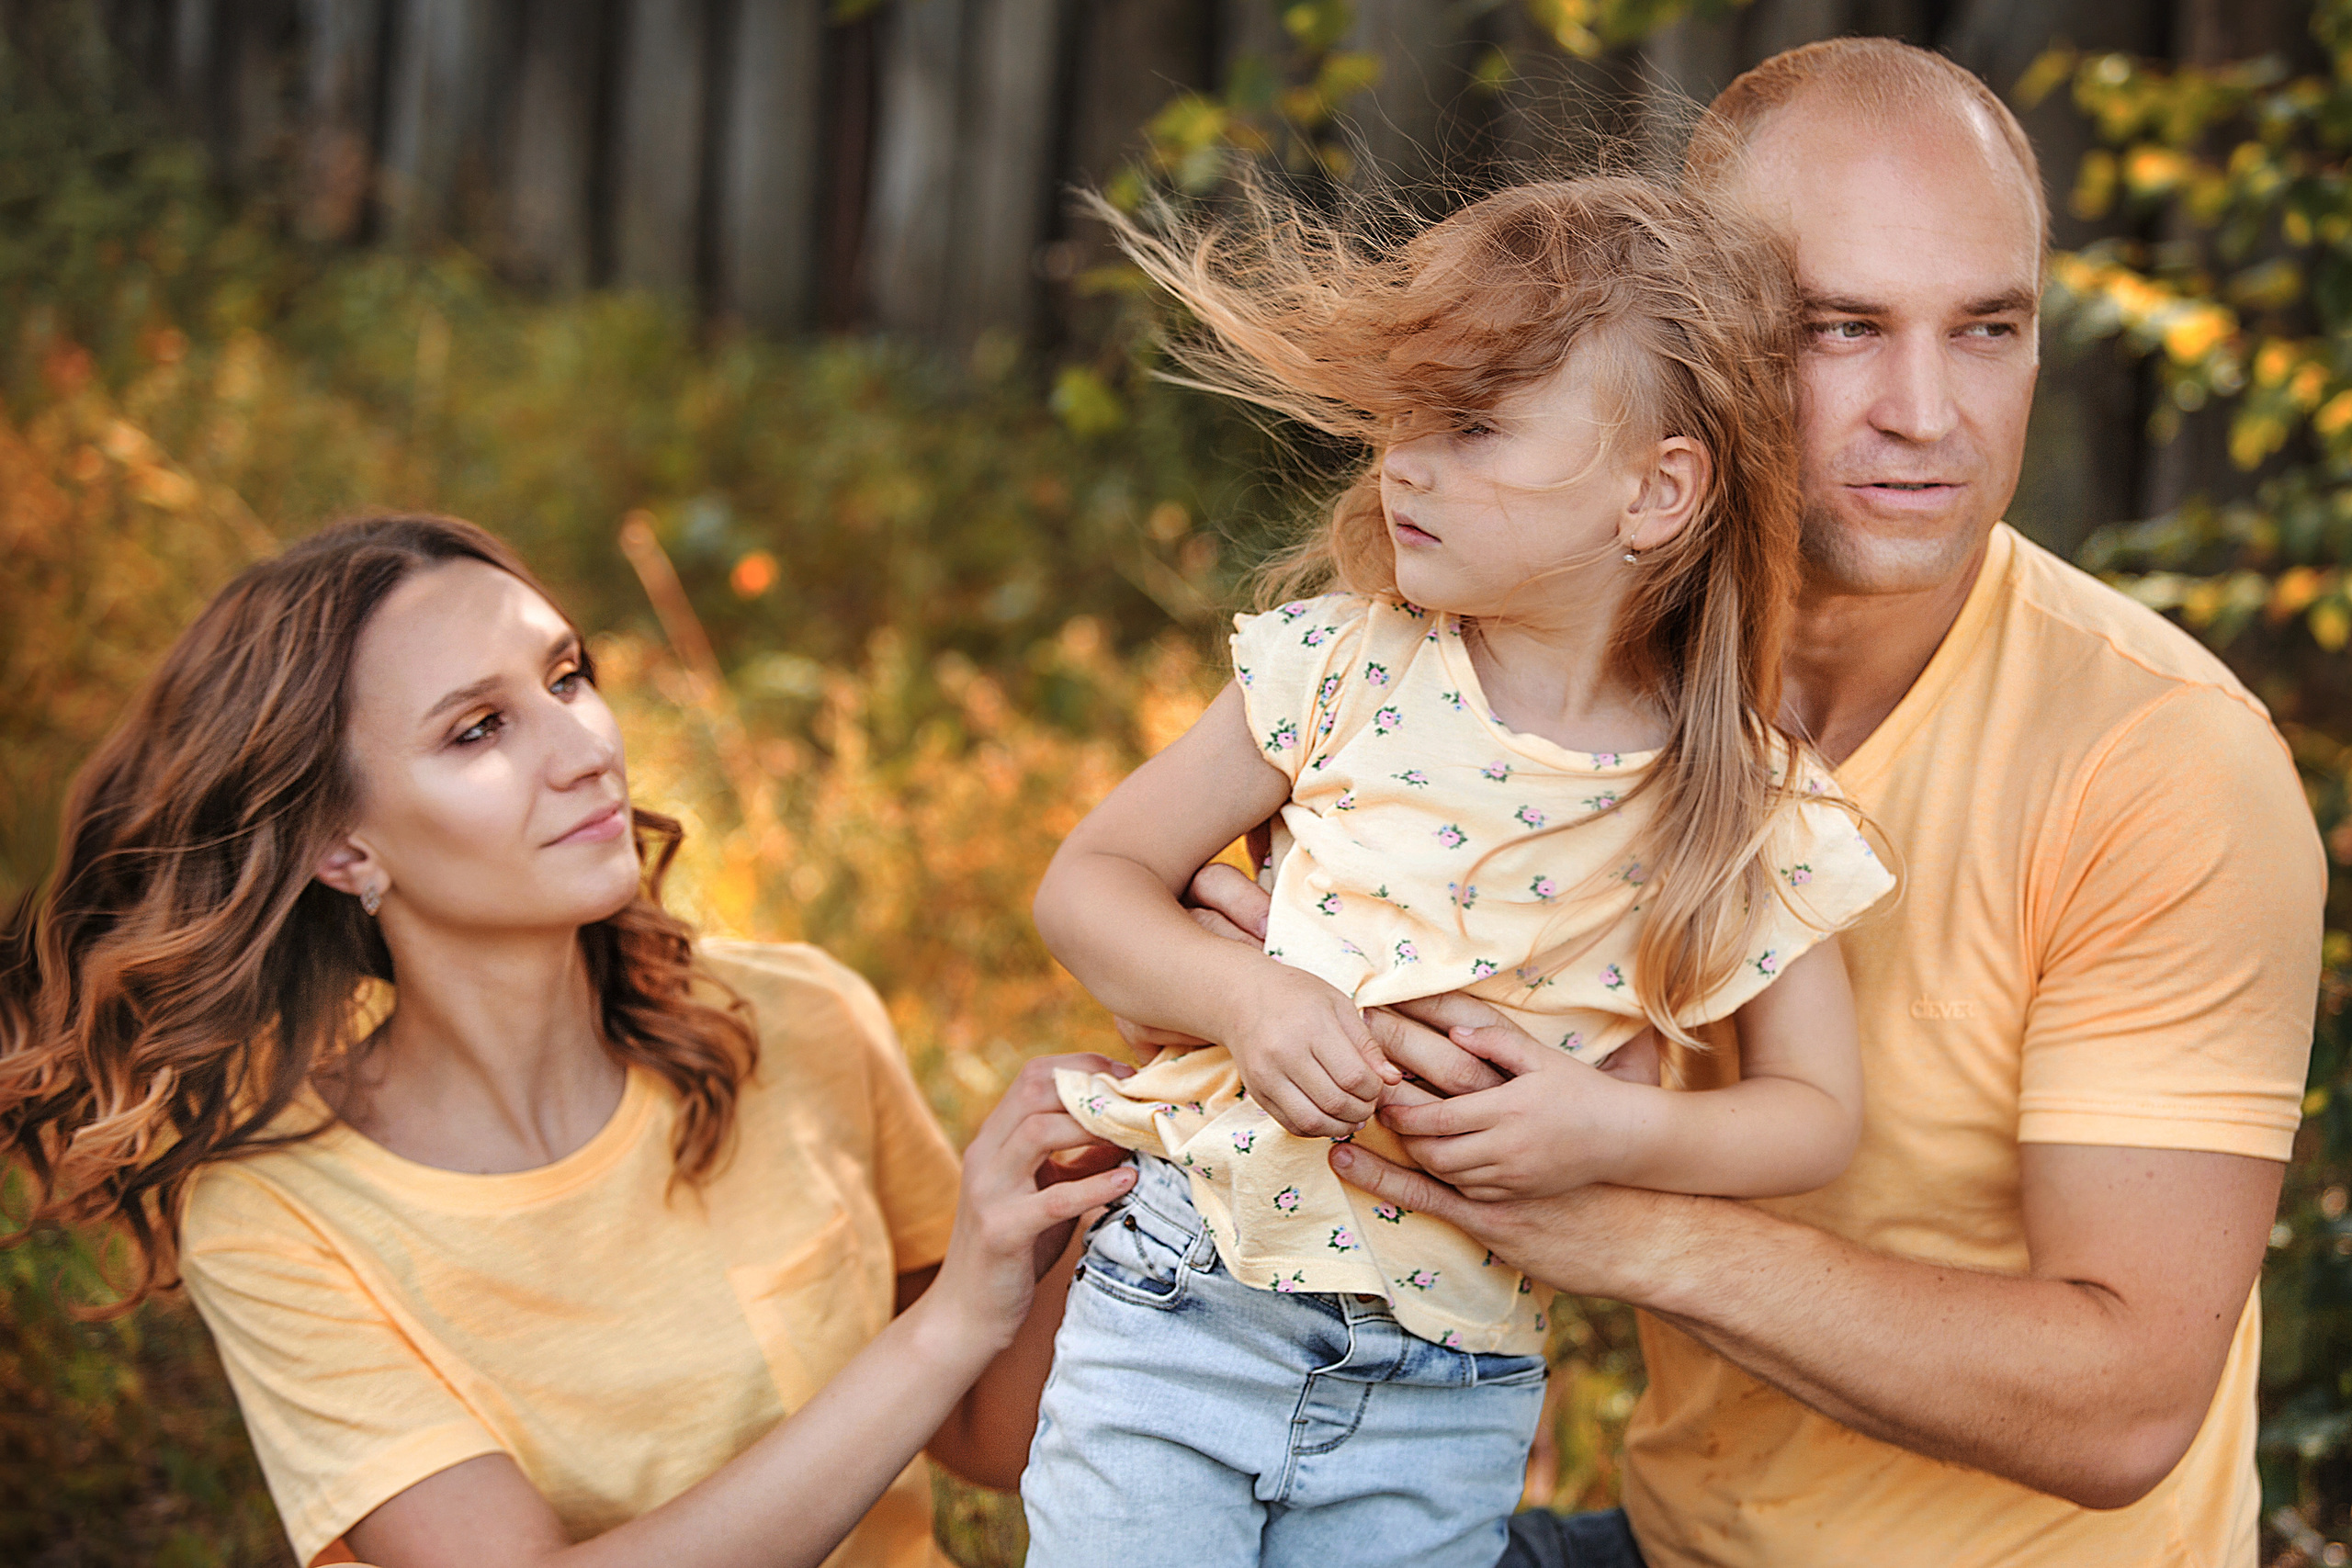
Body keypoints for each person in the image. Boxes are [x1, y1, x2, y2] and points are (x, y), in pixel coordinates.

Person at [1279, 38, 2324, 1568]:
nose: (1928, 412)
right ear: (1702, 344)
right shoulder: (1552, 673)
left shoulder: (2162, 762)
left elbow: (2124, 1403)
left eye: (1989, 328)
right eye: (1843, 328)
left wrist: (1612, 1221)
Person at [1023, 176, 1893, 1568]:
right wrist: (1240, 993)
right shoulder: (1345, 662)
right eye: (1401, 422)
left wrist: (1616, 1137)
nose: (1404, 466)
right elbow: (1092, 879)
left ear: (1658, 488)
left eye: (1472, 427)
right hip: (1195, 1303)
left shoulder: (1740, 799)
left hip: (1446, 1384)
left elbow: (1814, 1115)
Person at [0, 513, 1136, 1568]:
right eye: (479, 728)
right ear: (343, 850)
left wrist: (1076, 1207)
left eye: (567, 677)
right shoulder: (277, 1213)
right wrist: (943, 1333)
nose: (585, 745)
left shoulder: (799, 1018)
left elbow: (985, 1444)